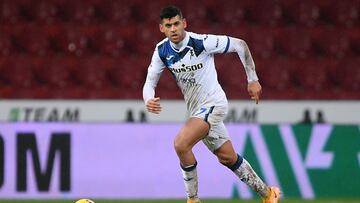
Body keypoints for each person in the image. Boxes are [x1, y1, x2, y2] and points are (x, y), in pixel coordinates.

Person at [142, 6, 280, 203]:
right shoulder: (161, 50)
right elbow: (149, 82)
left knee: (181, 144)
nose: (173, 29)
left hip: (214, 103)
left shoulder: (201, 42)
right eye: (168, 25)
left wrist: (252, 79)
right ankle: (268, 194)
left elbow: (240, 45)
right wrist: (148, 99)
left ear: (184, 23)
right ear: (161, 28)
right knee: (228, 157)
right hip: (196, 110)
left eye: (176, 24)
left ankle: (192, 199)